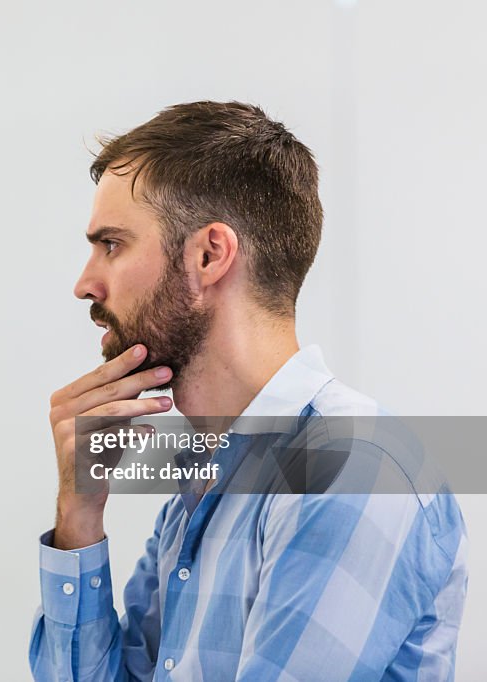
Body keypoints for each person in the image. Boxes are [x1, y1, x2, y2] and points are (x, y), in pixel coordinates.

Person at [29, 101, 468, 681]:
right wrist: (79, 513)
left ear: (209, 255)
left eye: (112, 244)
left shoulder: (353, 471)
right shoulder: (208, 480)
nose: (86, 283)